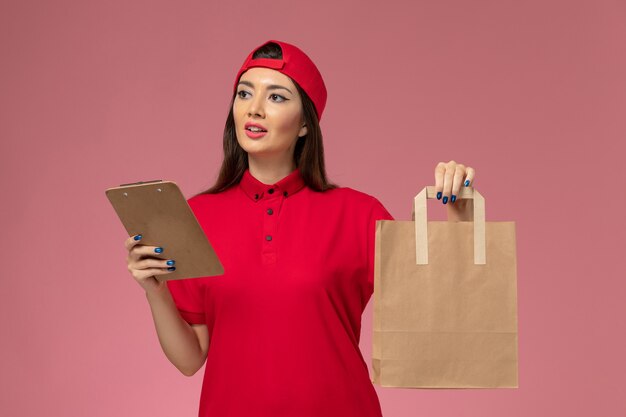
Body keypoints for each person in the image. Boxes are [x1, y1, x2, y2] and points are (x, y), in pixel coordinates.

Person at [124, 39, 476, 417]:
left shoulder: (359, 213)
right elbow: (190, 359)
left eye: (276, 97)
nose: (254, 109)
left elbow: (436, 307)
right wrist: (155, 292)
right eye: (245, 93)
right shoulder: (196, 216)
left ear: (306, 123)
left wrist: (459, 213)